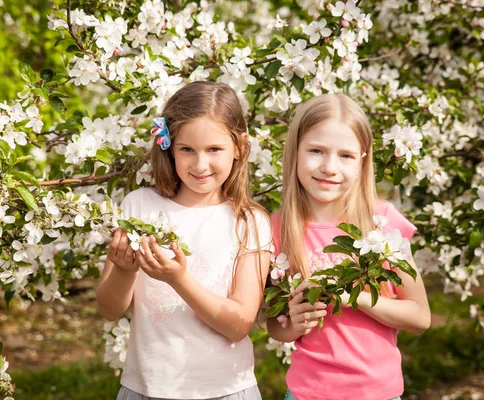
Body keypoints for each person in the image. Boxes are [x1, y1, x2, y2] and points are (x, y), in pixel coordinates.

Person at [96, 81, 272, 400]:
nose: (200, 164)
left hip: (226, 391)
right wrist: (123, 271)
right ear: (169, 147)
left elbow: (239, 324)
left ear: (239, 149)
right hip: (147, 389)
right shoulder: (139, 208)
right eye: (186, 149)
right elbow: (109, 309)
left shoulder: (250, 223)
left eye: (214, 150)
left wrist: (179, 280)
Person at [267, 94, 431, 400]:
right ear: (295, 152)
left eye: (345, 155)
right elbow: (274, 324)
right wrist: (293, 324)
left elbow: (420, 317)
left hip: (377, 393)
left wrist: (350, 296)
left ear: (362, 162)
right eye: (316, 151)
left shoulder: (382, 224)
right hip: (307, 393)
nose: (329, 167)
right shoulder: (276, 229)